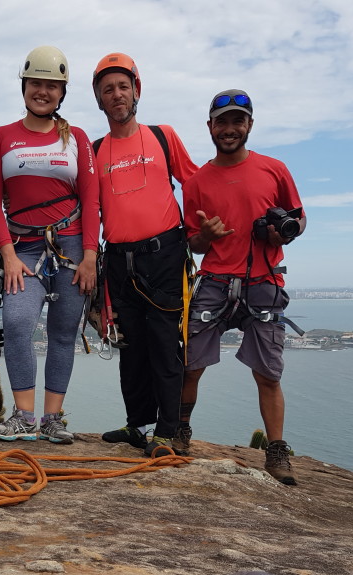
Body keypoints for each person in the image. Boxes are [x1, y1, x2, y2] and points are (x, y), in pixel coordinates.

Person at [180, 89, 306, 484]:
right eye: (223, 122)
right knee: (189, 364)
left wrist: (282, 234)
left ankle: (276, 451)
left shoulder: (275, 170)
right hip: (215, 279)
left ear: (250, 124)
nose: (230, 129)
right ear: (210, 127)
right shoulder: (197, 181)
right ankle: (181, 432)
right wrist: (204, 235)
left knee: (268, 374)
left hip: (264, 279)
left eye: (238, 121)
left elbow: (299, 220)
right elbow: (192, 242)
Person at [0, 46, 100, 444]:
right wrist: (8, 254)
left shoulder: (77, 138)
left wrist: (90, 256)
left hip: (70, 245)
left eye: (52, 86)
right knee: (16, 323)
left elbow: (91, 198)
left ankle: (52, 420)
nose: (43, 92)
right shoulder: (1, 137)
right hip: (23, 247)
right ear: (24, 86)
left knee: (64, 332)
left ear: (62, 92)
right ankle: (23, 416)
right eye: (37, 83)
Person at [91, 53, 198, 458]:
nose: (116, 95)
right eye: (107, 90)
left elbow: (197, 184)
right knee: (131, 347)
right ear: (100, 100)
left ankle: (168, 432)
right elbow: (87, 210)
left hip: (165, 255)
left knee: (165, 345)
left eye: (123, 86)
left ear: (137, 90)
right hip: (119, 260)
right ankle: (138, 424)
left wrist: (207, 230)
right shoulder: (96, 150)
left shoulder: (162, 136)